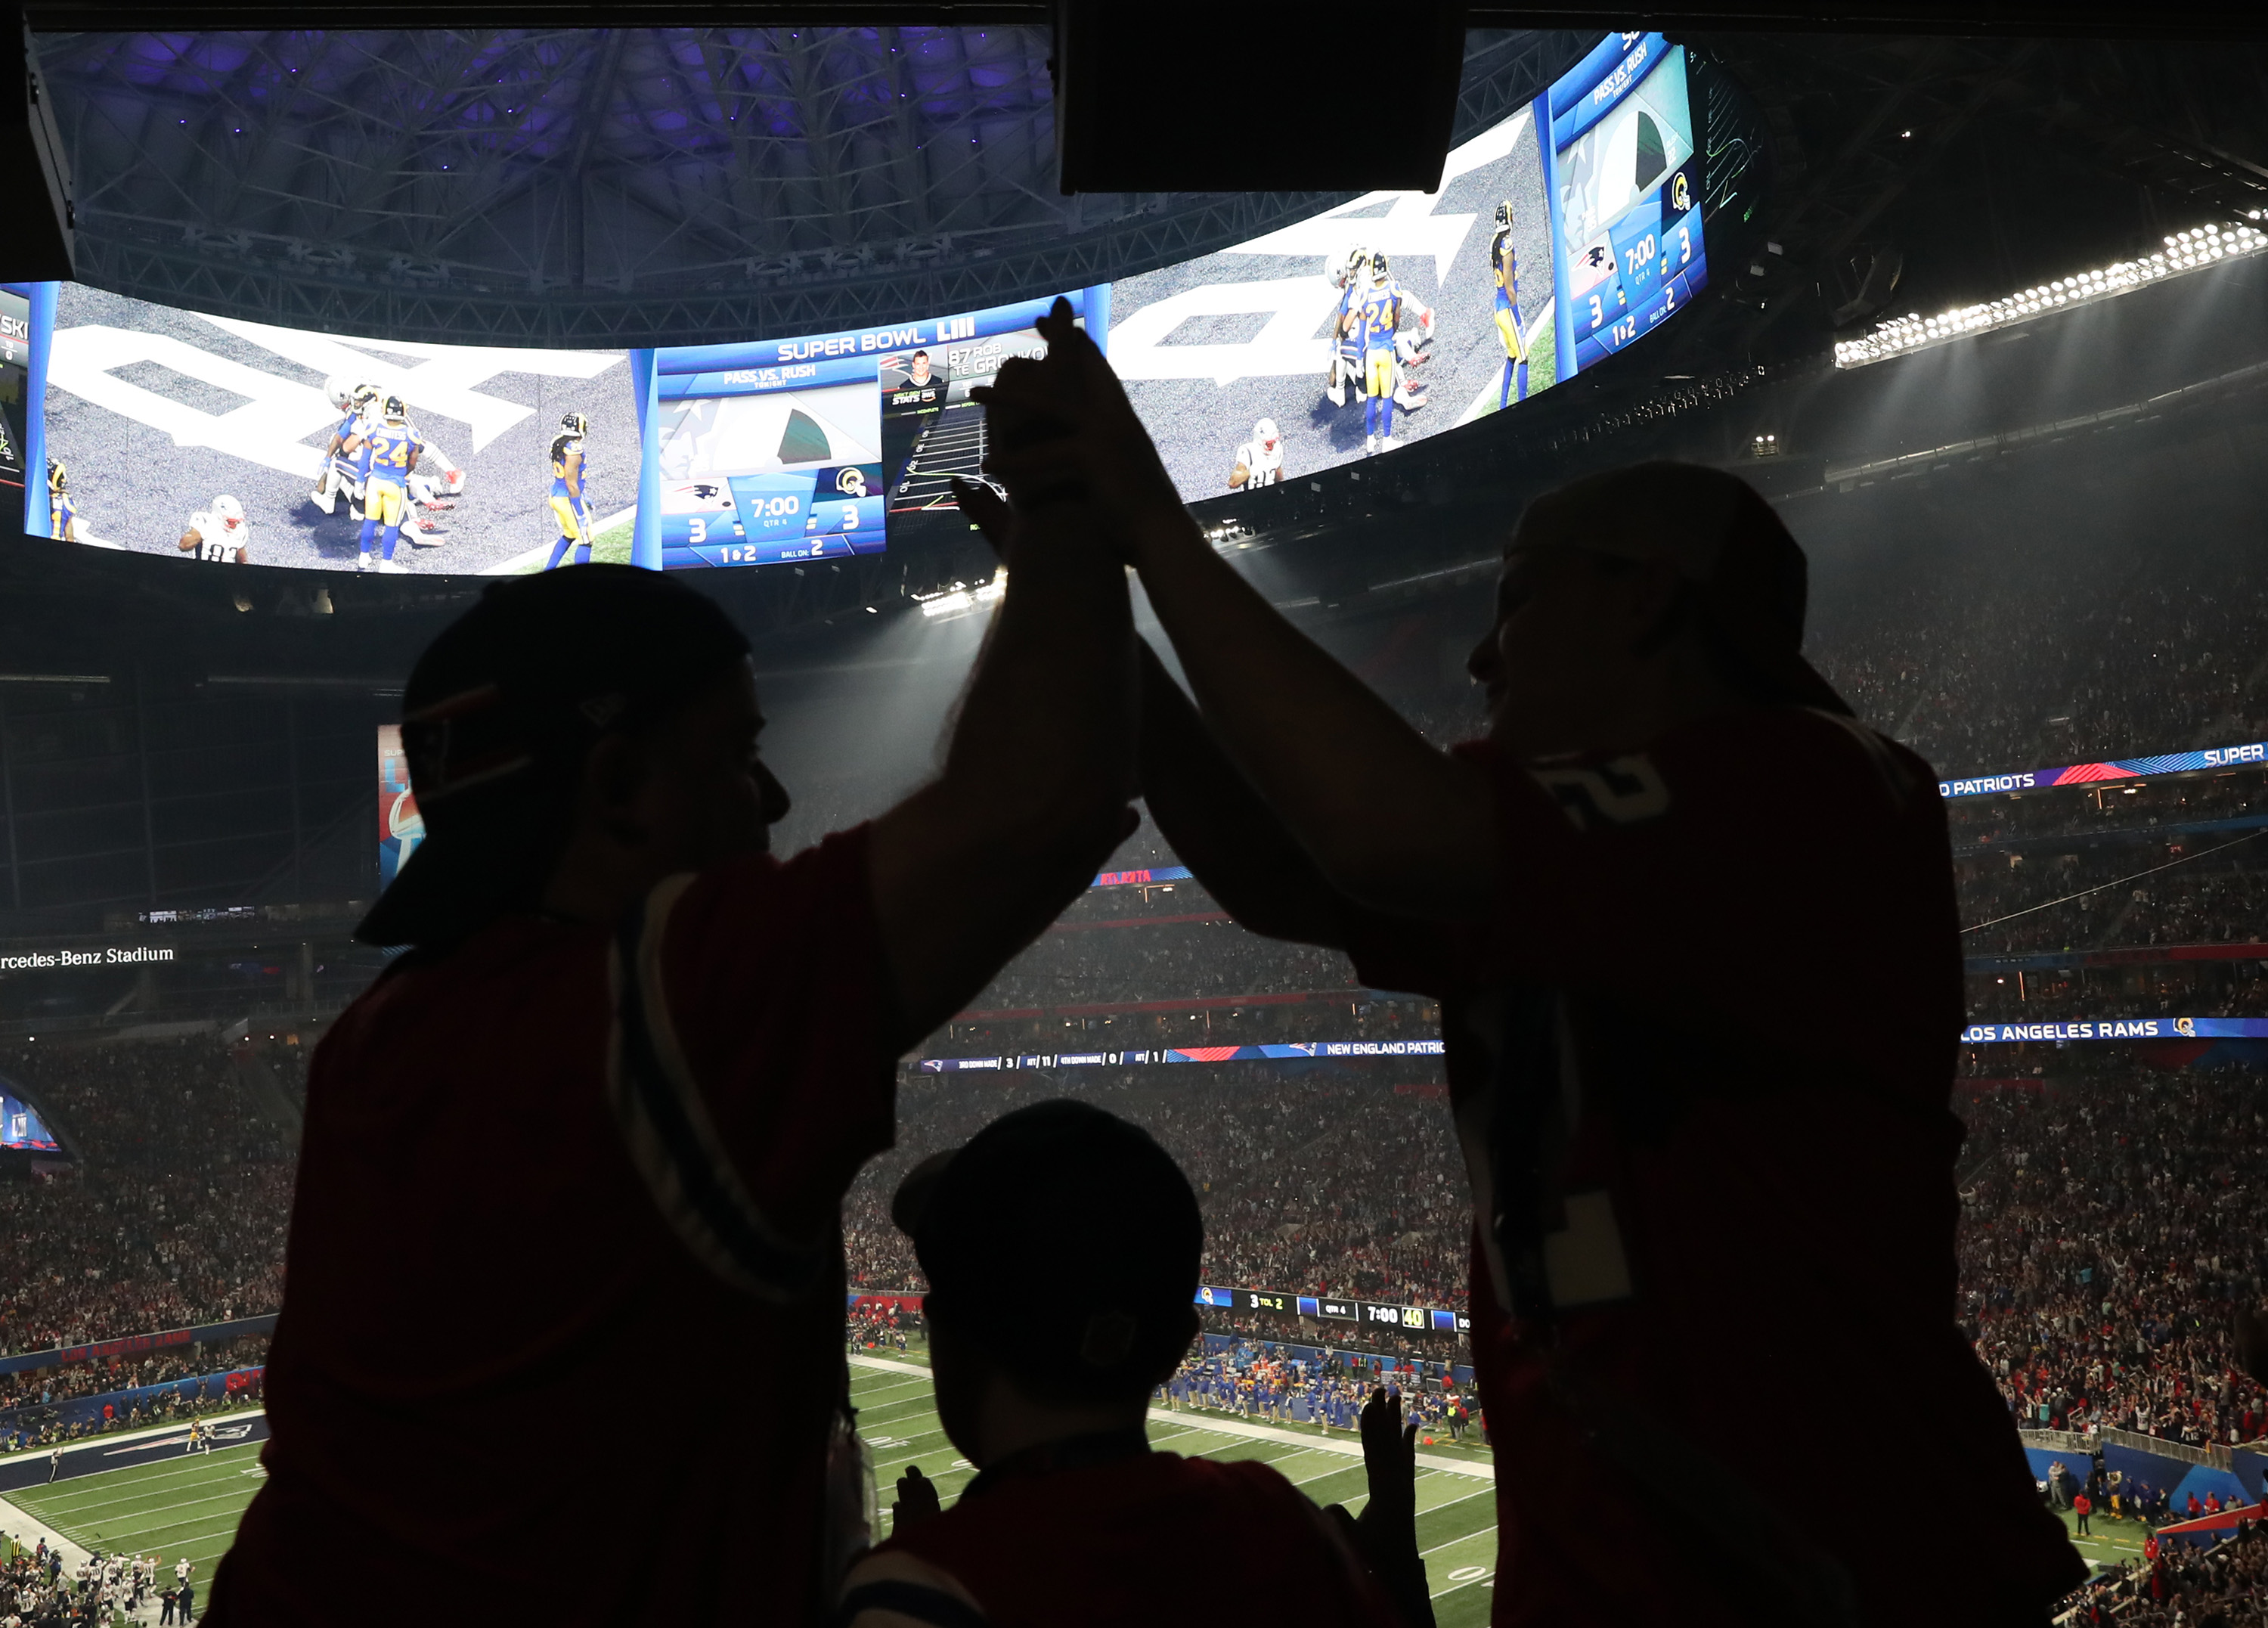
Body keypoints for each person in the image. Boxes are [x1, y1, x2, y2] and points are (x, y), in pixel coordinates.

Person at [971, 311, 2089, 1626]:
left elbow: (1380, 828)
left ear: (1644, 593)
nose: (1482, 652)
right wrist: (1106, 613)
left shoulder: (1818, 785)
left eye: (1519, 596)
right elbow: (1285, 875)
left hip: (1829, 1572)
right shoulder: (1581, 859)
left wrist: (1157, 524)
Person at [212, 352, 1139, 1626]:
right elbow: (1046, 794)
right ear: (619, 789)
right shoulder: (641, 1011)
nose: (771, 798)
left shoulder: (380, 1037)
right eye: (737, 752)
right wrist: (1069, 499)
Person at [836, 1099, 1417, 1628]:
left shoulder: (923, 1589)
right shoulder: (1283, 1527)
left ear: (945, 1334)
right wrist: (1390, 1531)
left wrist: (915, 1559)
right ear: (1176, 1347)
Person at [348, 395, 420, 574]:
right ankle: (386, 562)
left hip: (375, 481)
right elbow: (413, 462)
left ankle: (364, 556)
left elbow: (365, 458)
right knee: (391, 525)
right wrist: (402, 473)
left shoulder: (373, 428)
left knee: (370, 520)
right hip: (395, 483)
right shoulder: (412, 434)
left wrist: (359, 481)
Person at [1490, 200, 1529, 410]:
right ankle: (1524, 406)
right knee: (1524, 356)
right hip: (1507, 308)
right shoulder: (1507, 245)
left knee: (1512, 355)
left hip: (1498, 307)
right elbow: (1509, 286)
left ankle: (1503, 405)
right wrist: (1517, 315)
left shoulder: (1494, 242)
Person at [544, 411, 593, 571]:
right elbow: (571, 483)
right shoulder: (574, 449)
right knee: (586, 540)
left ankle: (548, 571)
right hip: (568, 499)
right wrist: (579, 509)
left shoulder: (558, 442)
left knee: (570, 534)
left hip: (556, 496)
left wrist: (583, 492)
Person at [178, 496, 248, 564]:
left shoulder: (241, 530)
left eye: (237, 522)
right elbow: (183, 545)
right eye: (231, 522)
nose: (234, 526)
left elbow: (242, 559)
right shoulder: (206, 522)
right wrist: (202, 533)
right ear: (219, 517)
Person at [1230, 420, 1286, 490]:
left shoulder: (1277, 449)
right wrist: (1251, 472)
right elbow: (1233, 483)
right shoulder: (1248, 452)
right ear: (1259, 441)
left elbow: (1278, 473)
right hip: (1250, 497)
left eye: (1273, 443)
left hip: (1271, 495)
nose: (1272, 447)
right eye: (1269, 444)